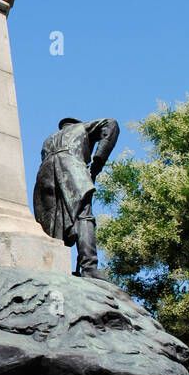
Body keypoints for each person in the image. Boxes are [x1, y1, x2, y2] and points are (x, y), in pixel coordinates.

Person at [33, 117, 120, 278]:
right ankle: (89, 267)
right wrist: (98, 161)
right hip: (71, 166)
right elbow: (111, 123)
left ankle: (56, 267)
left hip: (44, 174)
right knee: (83, 216)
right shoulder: (82, 128)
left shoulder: (48, 140)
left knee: (54, 224)